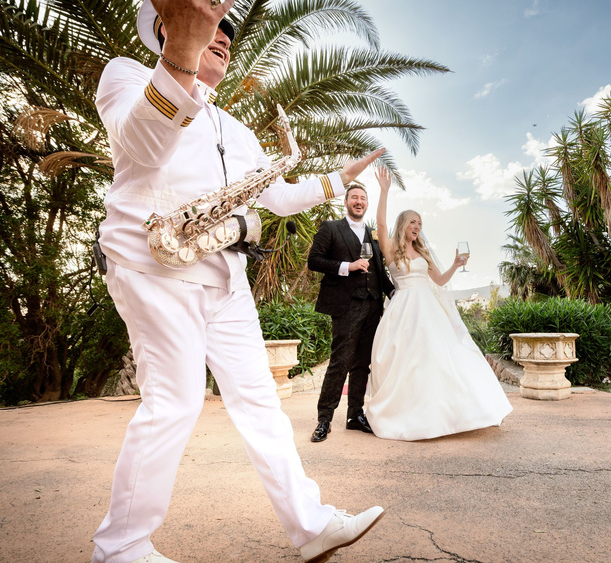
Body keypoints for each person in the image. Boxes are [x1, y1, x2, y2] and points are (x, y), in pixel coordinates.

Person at [91, 1, 385, 561]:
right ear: (166, 26)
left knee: (260, 402)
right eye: (211, 23)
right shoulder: (125, 75)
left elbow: (277, 197)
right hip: (154, 266)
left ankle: (311, 526)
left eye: (227, 28)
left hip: (225, 276)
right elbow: (144, 145)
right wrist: (182, 51)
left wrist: (334, 180)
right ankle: (120, 547)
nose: (224, 33)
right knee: (174, 401)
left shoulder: (237, 129)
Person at [363, 166, 512, 441]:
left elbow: (440, 281)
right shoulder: (390, 248)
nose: (417, 227)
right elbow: (381, 225)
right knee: (405, 361)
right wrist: (384, 191)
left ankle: (446, 413)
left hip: (428, 310)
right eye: (413, 222)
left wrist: (455, 264)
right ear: (403, 224)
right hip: (402, 310)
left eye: (420, 223)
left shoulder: (423, 252)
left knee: (436, 358)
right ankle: (407, 411)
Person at [306, 182, 395, 442]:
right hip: (346, 305)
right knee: (340, 362)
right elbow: (314, 260)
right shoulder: (331, 228)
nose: (359, 201)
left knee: (362, 364)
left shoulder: (372, 235)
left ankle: (355, 415)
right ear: (346, 202)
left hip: (372, 306)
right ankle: (324, 419)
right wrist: (348, 266)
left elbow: (379, 272)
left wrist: (397, 294)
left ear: (366, 203)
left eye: (363, 198)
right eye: (354, 197)